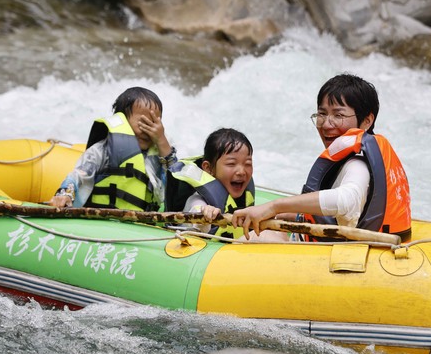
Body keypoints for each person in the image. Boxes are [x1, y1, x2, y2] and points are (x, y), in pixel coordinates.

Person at [231, 73, 411, 241]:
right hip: (339, 242)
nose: (326, 124)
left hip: (345, 258)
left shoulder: (359, 163)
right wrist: (299, 216)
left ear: (366, 121)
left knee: (248, 242)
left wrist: (274, 206)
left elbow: (346, 201)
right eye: (322, 114)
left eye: (338, 115)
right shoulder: (353, 155)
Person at [48, 87, 177, 211]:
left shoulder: (158, 157)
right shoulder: (103, 150)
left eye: (154, 123)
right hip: (102, 220)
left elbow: (176, 183)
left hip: (142, 225)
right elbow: (79, 175)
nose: (148, 130)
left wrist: (162, 141)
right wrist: (65, 194)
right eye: (143, 122)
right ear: (122, 120)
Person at [165, 128, 254, 238]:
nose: (241, 172)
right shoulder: (198, 200)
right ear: (208, 168)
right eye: (231, 164)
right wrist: (206, 214)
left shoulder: (243, 197)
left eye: (247, 163)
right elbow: (197, 211)